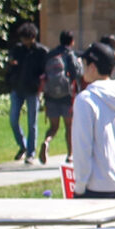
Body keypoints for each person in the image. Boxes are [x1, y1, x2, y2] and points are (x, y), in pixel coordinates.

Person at [70, 42, 115, 202]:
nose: (82, 68)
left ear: (93, 67)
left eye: (84, 64)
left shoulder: (86, 100)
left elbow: (82, 147)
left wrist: (80, 186)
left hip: (94, 187)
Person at [4, 21, 50, 163]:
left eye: (26, 38)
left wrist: (41, 86)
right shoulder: (17, 49)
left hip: (32, 90)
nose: (23, 41)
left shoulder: (41, 52)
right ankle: (22, 145)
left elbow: (45, 71)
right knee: (13, 120)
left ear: (33, 37)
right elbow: (10, 64)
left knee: (32, 122)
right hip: (17, 88)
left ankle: (31, 153)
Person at [39, 30, 80, 163]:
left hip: (51, 96)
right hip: (67, 96)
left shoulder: (51, 54)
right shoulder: (70, 55)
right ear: (72, 41)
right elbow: (76, 72)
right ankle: (70, 154)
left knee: (53, 127)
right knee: (69, 126)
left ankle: (46, 141)